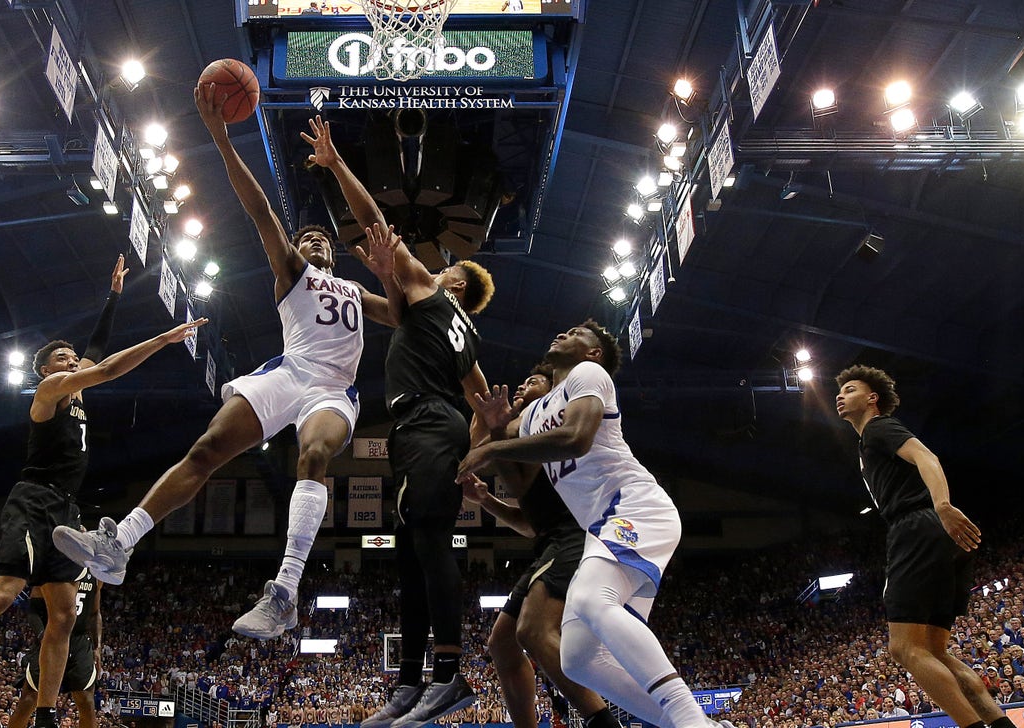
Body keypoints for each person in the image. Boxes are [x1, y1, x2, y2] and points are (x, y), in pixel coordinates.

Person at [53, 88, 401, 641]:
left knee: (314, 453)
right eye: (304, 237)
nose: (311, 241)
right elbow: (259, 208)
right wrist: (219, 136)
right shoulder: (292, 271)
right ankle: (120, 544)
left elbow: (408, 314)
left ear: (333, 252)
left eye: (320, 239)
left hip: (333, 390)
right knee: (206, 449)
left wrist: (391, 273)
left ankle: (284, 591)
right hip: (287, 372)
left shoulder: (358, 292)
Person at [0, 256, 206, 728]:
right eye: (62, 360)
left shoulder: (74, 391)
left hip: (65, 508)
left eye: (70, 358)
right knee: (3, 594)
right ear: (46, 371)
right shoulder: (50, 393)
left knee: (64, 613)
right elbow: (103, 368)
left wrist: (115, 295)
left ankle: (46, 715)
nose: (70, 362)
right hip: (33, 500)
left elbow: (97, 348)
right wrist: (164, 339)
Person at [301, 116, 495, 728]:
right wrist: (477, 453)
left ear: (456, 284)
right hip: (432, 432)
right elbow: (485, 404)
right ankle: (411, 681)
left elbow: (375, 223)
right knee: (411, 552)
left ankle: (449, 673)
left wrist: (335, 165)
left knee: (429, 544)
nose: (438, 265)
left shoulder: (434, 295)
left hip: (426, 426)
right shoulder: (455, 331)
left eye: (448, 267)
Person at [456, 321, 715, 728]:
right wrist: (492, 427)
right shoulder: (532, 417)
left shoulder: (588, 375)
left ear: (593, 354)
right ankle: (695, 723)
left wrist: (493, 446)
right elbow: (513, 471)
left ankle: (689, 721)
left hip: (635, 506)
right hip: (602, 527)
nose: (562, 333)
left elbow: (577, 438)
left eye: (577, 333)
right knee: (577, 659)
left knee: (594, 600)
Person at [834, 365, 1015, 728]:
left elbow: (927, 458)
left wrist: (943, 505)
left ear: (872, 399)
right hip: (940, 535)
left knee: (903, 647)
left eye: (850, 389)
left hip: (917, 526)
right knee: (935, 651)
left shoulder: (878, 427)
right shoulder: (867, 440)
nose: (840, 395)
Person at [461, 365, 620, 728]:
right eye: (523, 379)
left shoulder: (547, 422)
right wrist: (486, 500)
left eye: (532, 381)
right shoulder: (523, 434)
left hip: (578, 536)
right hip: (552, 540)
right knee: (501, 644)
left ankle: (604, 724)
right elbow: (532, 524)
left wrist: (494, 431)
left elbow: (498, 464)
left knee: (531, 631)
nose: (522, 384)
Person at [8, 570, 101, 728]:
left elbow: (95, 614)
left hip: (79, 641)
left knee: (86, 700)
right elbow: (34, 610)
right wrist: (42, 636)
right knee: (28, 699)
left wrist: (97, 648)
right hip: (53, 637)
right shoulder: (56, 565)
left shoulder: (96, 575)